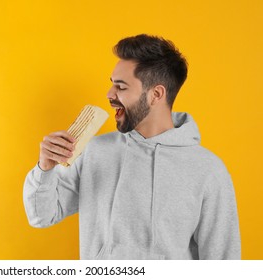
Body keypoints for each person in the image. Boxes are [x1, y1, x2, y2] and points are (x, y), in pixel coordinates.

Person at [23, 34, 241, 260]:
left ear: (155, 94)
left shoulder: (207, 169)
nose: (109, 94)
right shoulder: (93, 151)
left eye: (121, 87)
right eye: (112, 84)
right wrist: (45, 168)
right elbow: (41, 216)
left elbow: (223, 261)